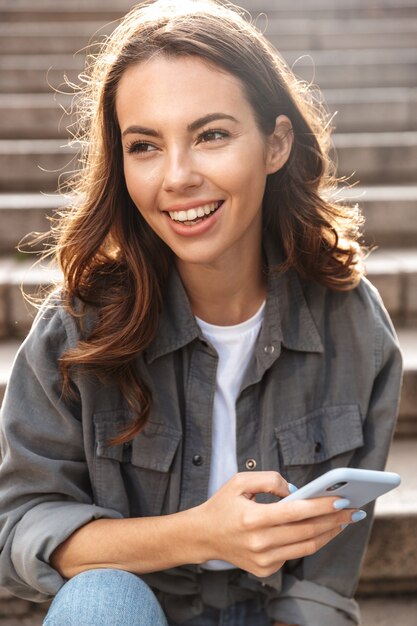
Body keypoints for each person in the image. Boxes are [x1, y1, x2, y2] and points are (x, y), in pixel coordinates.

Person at [0, 1, 403, 625]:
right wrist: (202, 534)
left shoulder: (352, 326)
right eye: (145, 145)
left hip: (273, 613)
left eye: (210, 134)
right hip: (134, 607)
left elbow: (322, 585)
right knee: (100, 602)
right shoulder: (77, 328)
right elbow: (22, 528)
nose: (178, 177)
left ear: (275, 144)